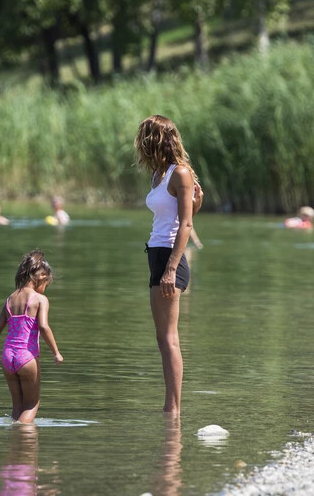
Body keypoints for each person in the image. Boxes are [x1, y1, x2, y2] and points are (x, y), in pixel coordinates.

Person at [135, 114, 204, 415]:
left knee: (169, 337)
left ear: (156, 140)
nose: (140, 145)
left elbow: (186, 225)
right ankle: (169, 407)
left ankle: (173, 409)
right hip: (155, 253)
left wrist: (172, 268)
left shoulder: (181, 173)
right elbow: (177, 215)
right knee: (161, 338)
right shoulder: (158, 175)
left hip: (170, 258)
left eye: (144, 138)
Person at [0, 250, 63, 424]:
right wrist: (56, 352)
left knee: (17, 407)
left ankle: (14, 446)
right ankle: (24, 441)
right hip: (27, 357)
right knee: (31, 405)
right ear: (41, 277)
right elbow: (44, 327)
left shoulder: (10, 299)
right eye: (46, 283)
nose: (46, 287)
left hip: (8, 357)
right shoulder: (40, 299)